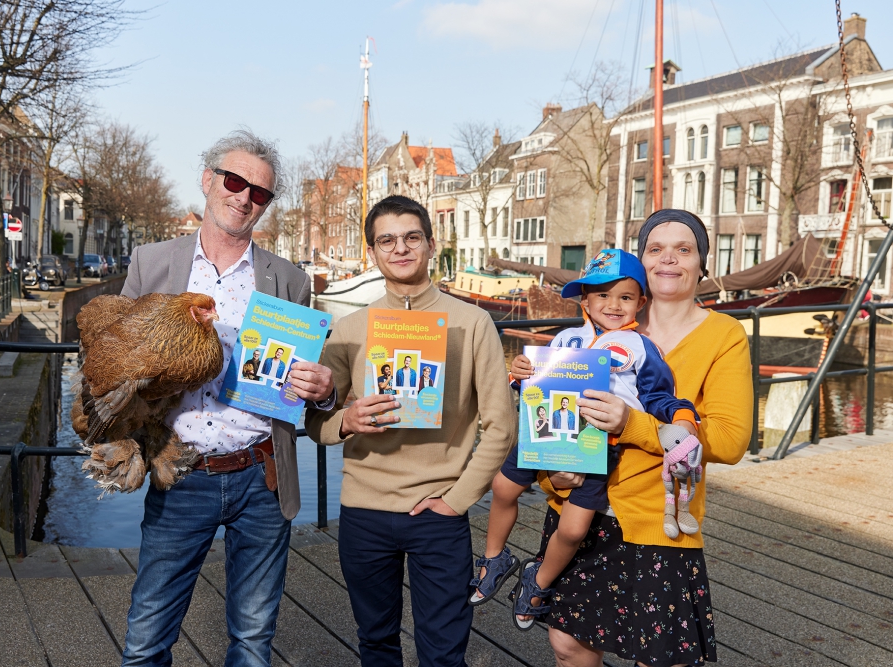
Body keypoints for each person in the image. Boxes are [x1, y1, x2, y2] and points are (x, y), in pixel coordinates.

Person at [119, 129, 336, 667]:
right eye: (235, 181)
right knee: (146, 641)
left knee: (254, 642)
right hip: (181, 471)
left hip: (262, 476)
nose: (244, 197)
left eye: (259, 192)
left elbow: (307, 389)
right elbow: (112, 354)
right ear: (208, 179)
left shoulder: (289, 280)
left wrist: (324, 392)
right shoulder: (152, 263)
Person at [305, 195, 517, 667]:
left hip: (439, 512)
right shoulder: (349, 329)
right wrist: (346, 420)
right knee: (376, 642)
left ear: (430, 244)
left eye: (411, 237)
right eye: (387, 240)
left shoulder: (474, 323)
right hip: (363, 512)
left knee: (443, 652)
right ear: (373, 253)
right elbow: (316, 423)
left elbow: (501, 428)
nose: (400, 248)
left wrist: (456, 500)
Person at [541, 211, 753, 667]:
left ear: (702, 264)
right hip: (581, 508)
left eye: (684, 249)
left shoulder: (723, 336)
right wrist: (550, 478)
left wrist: (630, 424)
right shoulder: (600, 327)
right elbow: (554, 416)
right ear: (640, 263)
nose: (669, 260)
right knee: (569, 645)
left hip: (658, 519)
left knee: (661, 658)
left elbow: (732, 439)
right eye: (655, 249)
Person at [469, 249, 698, 629]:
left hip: (597, 444)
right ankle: (495, 557)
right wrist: (520, 373)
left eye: (625, 297)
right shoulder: (565, 339)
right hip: (544, 431)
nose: (613, 305)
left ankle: (538, 579)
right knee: (502, 488)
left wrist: (682, 414)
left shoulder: (643, 347)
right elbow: (534, 385)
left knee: (573, 529)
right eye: (602, 295)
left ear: (640, 302)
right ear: (585, 301)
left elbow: (659, 394)